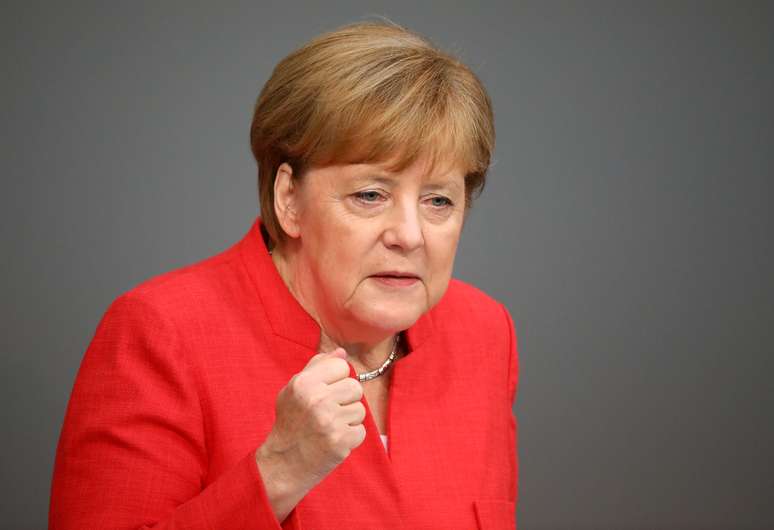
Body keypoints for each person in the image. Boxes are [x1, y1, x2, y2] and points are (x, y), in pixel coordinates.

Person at [49, 19, 519, 530]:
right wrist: (277, 473)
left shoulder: (483, 335)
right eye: (370, 194)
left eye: (438, 200)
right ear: (289, 199)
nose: (410, 234)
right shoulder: (162, 334)